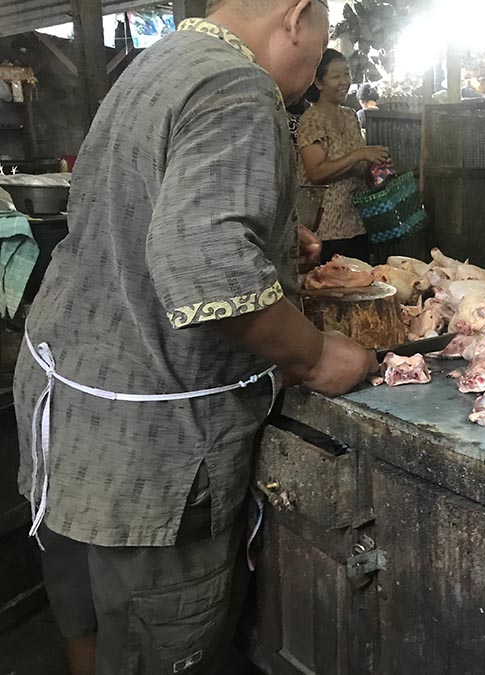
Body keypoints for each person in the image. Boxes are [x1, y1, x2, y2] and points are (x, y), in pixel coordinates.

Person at [12, 1, 378, 674]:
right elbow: (205, 269)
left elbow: (151, 209)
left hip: (68, 419)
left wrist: (266, 240)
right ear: (297, 17)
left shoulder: (160, 63)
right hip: (152, 456)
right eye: (323, 38)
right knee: (155, 646)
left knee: (90, 622)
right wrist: (317, 353)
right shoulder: (239, 85)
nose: (313, 67)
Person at [296, 49, 389, 263]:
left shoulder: (349, 116)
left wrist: (377, 167)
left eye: (347, 74)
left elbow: (359, 165)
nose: (344, 81)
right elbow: (316, 173)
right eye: (336, 76)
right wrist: (359, 154)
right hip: (326, 230)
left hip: (357, 223)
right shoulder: (312, 120)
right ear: (318, 83)